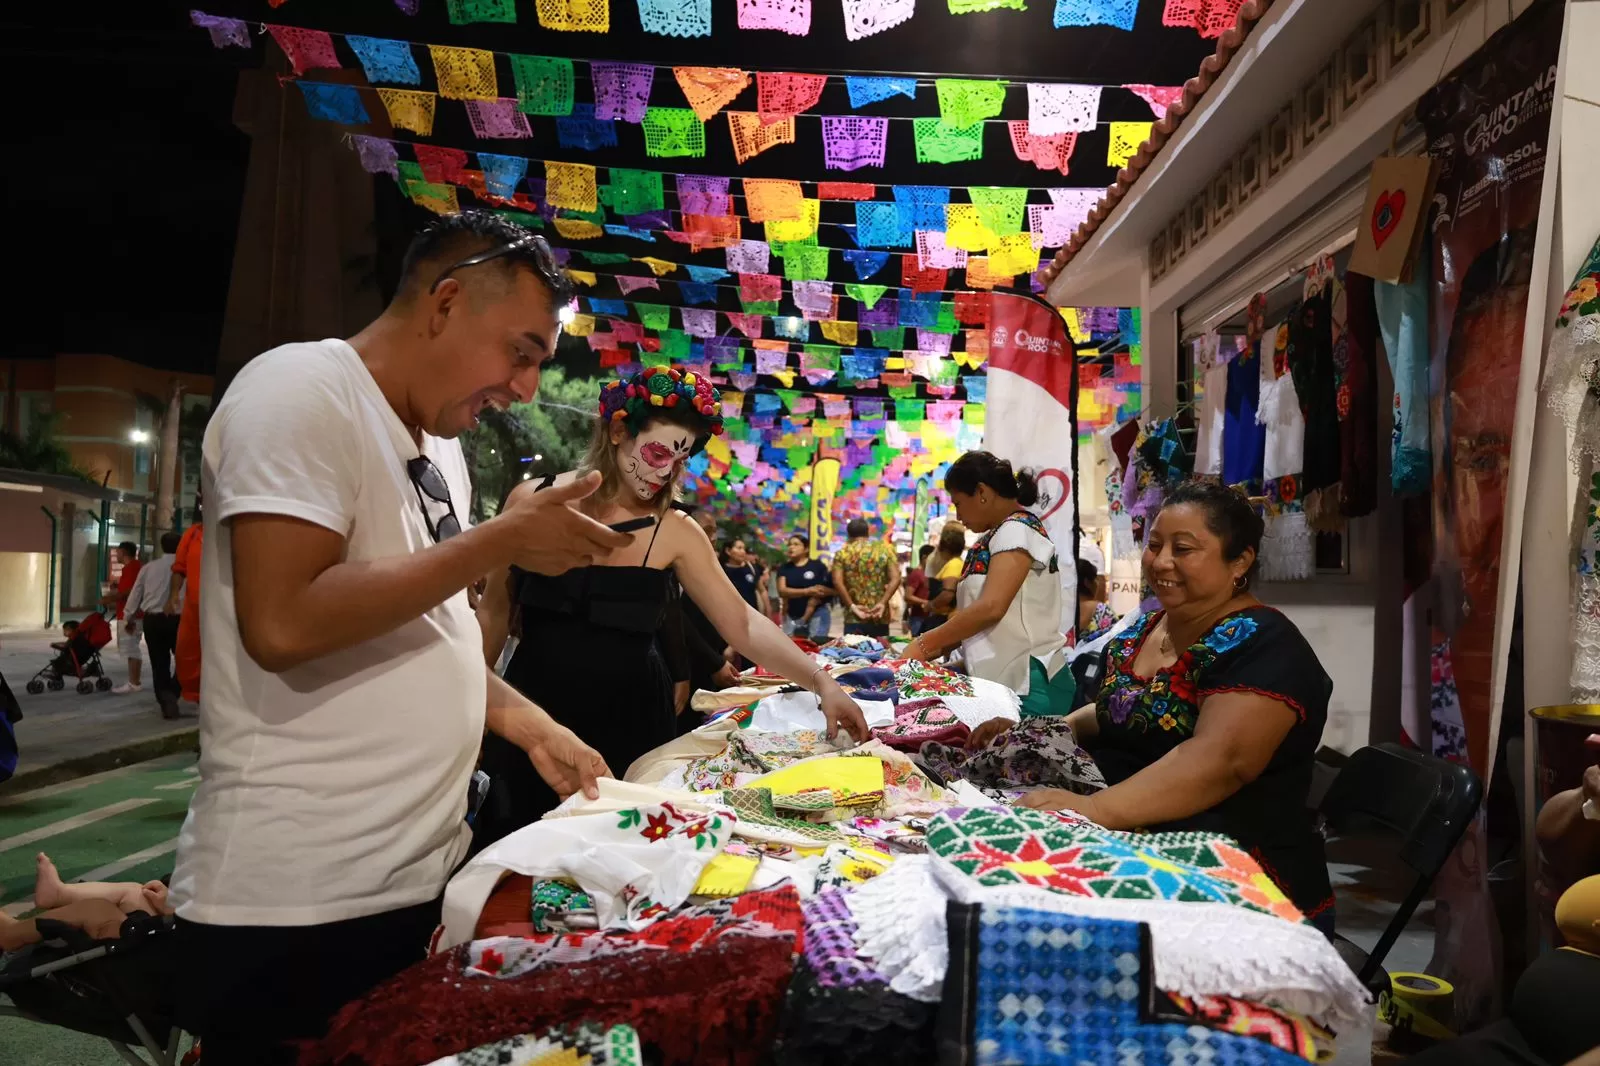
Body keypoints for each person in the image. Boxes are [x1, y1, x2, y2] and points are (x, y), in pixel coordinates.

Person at [170, 212, 633, 1066]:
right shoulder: (299, 388)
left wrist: (531, 725)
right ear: (446, 301)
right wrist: (500, 541)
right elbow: (285, 620)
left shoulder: (439, 449)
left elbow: (429, 623)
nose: (526, 389)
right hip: (298, 905)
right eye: (521, 352)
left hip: (410, 880)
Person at [474, 365, 871, 845]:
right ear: (618, 431)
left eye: (679, 460)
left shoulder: (677, 531)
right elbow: (494, 610)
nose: (665, 471)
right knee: (518, 853)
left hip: (632, 724)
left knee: (625, 856)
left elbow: (741, 622)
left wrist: (820, 681)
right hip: (532, 714)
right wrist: (471, 706)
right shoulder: (532, 500)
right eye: (659, 451)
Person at [960, 480, 1335, 927]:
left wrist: (1096, 811)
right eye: (1154, 545)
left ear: (1240, 562)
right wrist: (1038, 730)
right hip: (1130, 825)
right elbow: (1113, 711)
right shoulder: (1153, 625)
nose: (1161, 562)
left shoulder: (1263, 645)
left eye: (1184, 548)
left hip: (1227, 869)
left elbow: (1220, 761)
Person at [906, 452, 1073, 716]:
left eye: (959, 503)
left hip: (1028, 684)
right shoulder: (997, 536)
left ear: (982, 492)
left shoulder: (1016, 529)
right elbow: (988, 625)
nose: (959, 516)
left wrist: (924, 644)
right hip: (1006, 683)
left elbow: (992, 607)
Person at [128, 530, 184, 718]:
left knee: (159, 662)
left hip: (153, 620)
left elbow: (136, 593)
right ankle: (173, 692)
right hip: (180, 620)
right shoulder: (189, 568)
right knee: (185, 660)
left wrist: (129, 616)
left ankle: (165, 697)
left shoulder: (149, 568)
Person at [832, 518, 901, 638]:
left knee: (853, 652)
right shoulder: (885, 551)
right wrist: (882, 603)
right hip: (879, 614)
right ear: (867, 532)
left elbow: (837, 581)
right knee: (880, 651)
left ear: (848, 534)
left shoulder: (842, 553)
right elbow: (896, 578)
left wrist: (852, 606)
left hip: (853, 615)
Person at [167, 509, 203, 706]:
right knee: (186, 653)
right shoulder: (193, 534)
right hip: (194, 610)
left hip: (224, 610)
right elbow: (179, 569)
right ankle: (193, 695)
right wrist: (173, 595)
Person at [103, 542, 143, 694]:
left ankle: (134, 683)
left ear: (124, 552)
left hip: (130, 615)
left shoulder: (132, 567)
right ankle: (134, 682)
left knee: (131, 649)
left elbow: (130, 591)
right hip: (130, 614)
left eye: (118, 552)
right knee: (130, 649)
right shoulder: (133, 567)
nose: (116, 555)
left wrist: (109, 598)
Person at [777, 533, 834, 641]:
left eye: (796, 544)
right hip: (792, 614)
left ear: (806, 549)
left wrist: (821, 592)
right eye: (789, 544)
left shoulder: (818, 566)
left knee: (816, 646)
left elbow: (831, 590)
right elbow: (782, 591)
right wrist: (807, 591)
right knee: (792, 647)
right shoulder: (785, 568)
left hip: (818, 614)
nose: (791, 547)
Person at [721, 536, 771, 617]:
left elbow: (762, 590)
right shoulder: (721, 570)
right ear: (728, 551)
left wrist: (768, 610)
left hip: (753, 616)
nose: (743, 551)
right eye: (739, 548)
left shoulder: (751, 568)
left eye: (744, 549)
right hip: (730, 617)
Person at [926, 523, 967, 621]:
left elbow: (948, 594)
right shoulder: (957, 563)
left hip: (943, 617)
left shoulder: (953, 565)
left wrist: (931, 605)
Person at [1075, 558, 1118, 644]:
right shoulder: (1102, 611)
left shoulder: (1058, 609)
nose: (1097, 583)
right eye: (1095, 579)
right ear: (1087, 582)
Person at [905, 544, 934, 637]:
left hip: (928, 617)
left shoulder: (929, 574)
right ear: (924, 557)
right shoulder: (916, 574)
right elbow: (908, 596)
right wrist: (926, 602)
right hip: (918, 619)